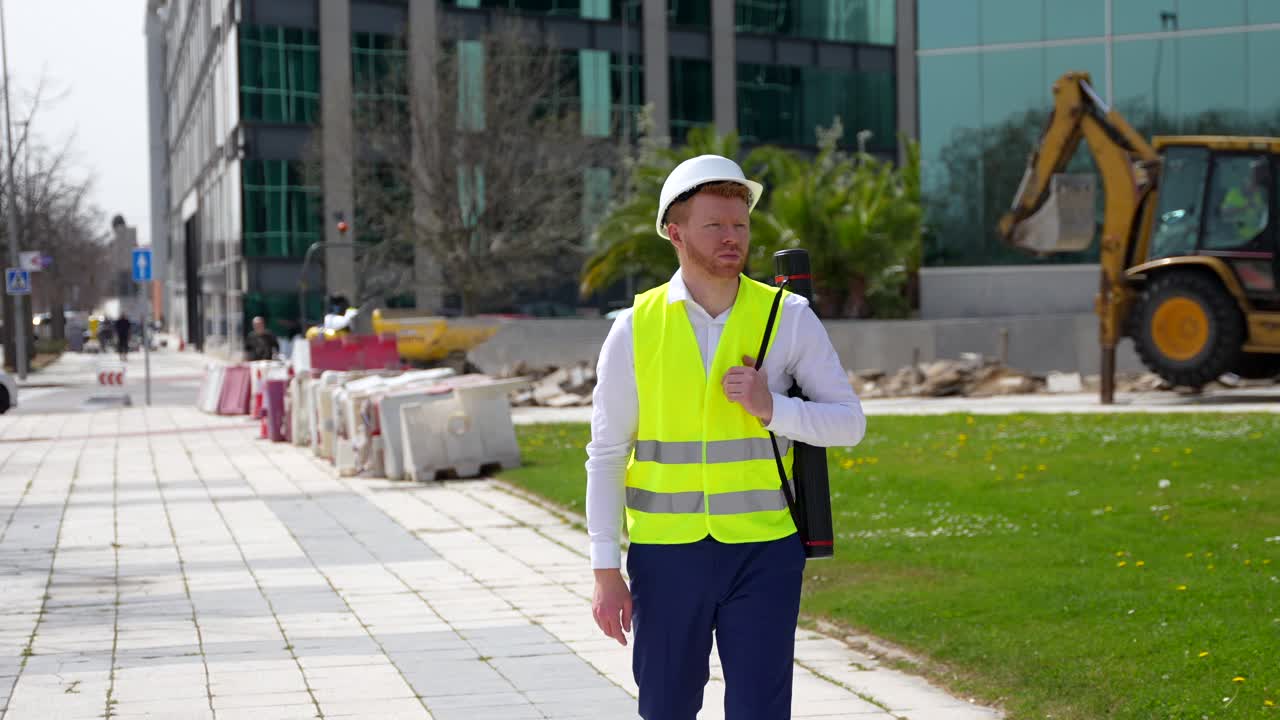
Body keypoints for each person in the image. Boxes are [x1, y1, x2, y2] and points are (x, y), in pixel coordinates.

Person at [586, 155, 866, 719]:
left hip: (765, 551)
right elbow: (608, 453)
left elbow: (848, 422)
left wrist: (773, 408)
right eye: (714, 225)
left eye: (740, 225)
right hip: (666, 556)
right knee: (665, 708)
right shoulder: (634, 328)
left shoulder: (788, 316)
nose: (731, 237)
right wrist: (604, 570)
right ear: (676, 231)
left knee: (762, 711)